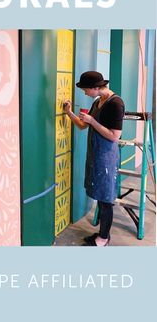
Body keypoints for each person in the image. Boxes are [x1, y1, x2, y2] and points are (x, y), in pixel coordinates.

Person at [64, 71, 125, 246]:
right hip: (95, 155)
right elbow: (83, 125)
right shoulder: (98, 101)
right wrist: (69, 113)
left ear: (96, 88)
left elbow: (114, 136)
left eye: (85, 90)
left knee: (106, 200)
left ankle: (104, 238)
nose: (85, 93)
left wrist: (93, 121)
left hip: (106, 157)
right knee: (100, 195)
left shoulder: (116, 103)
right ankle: (102, 234)